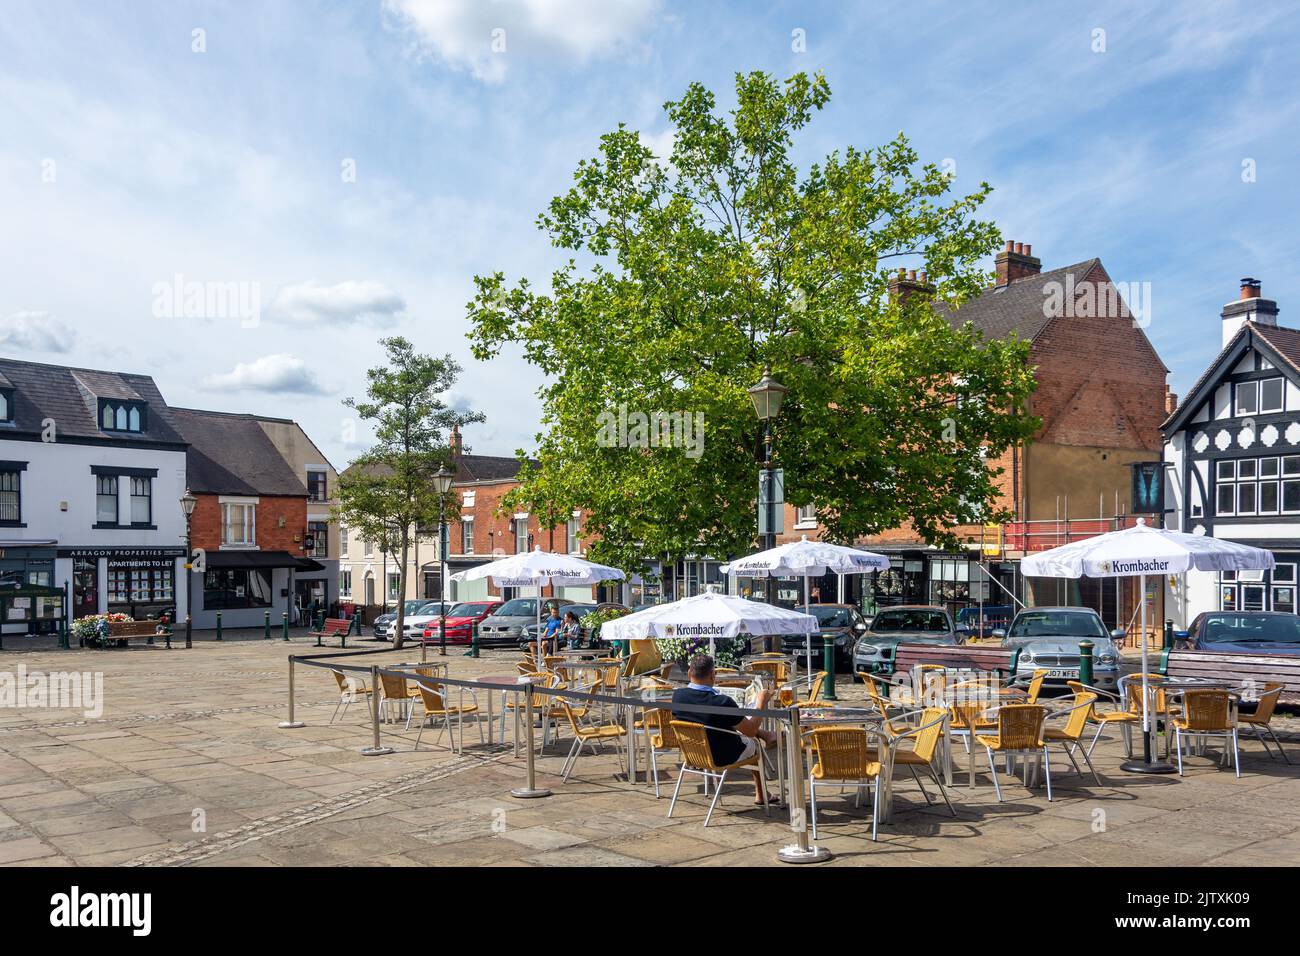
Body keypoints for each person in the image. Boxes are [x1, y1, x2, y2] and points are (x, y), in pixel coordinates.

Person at [671, 654, 779, 805]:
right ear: (712, 675)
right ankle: (761, 794)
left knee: (729, 724)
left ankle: (767, 735)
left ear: (689, 673)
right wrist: (761, 703)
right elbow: (750, 731)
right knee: (755, 745)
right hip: (721, 756)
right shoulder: (721, 702)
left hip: (693, 754)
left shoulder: (677, 696)